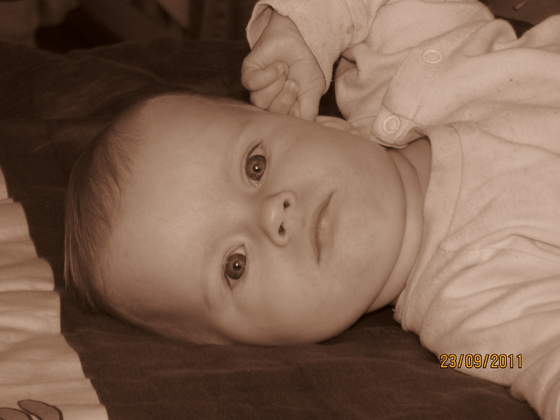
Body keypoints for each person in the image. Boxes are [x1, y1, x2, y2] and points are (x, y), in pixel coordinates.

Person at [64, 0, 560, 417]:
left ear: (317, 122)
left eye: (255, 166)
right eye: (235, 266)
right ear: (265, 344)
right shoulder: (472, 316)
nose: (272, 216)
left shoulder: (400, 70)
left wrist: (302, 31)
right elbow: (536, 363)